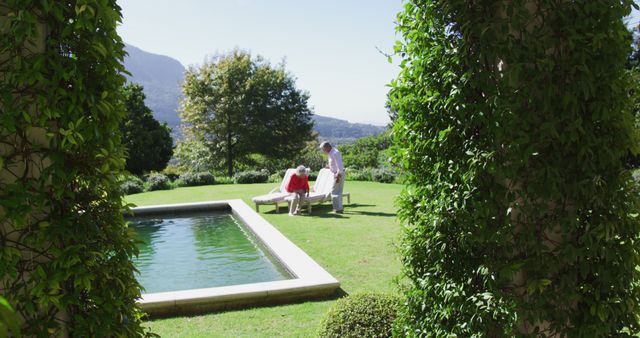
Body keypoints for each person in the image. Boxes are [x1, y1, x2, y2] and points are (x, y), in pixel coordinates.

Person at [320, 141, 344, 213]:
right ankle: (339, 208)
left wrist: (338, 174)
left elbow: (339, 165)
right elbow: (334, 164)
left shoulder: (335, 153)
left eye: (323, 149)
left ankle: (337, 209)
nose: (323, 151)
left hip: (338, 174)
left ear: (327, 147)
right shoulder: (331, 153)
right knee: (337, 191)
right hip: (336, 173)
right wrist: (329, 167)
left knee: (335, 192)